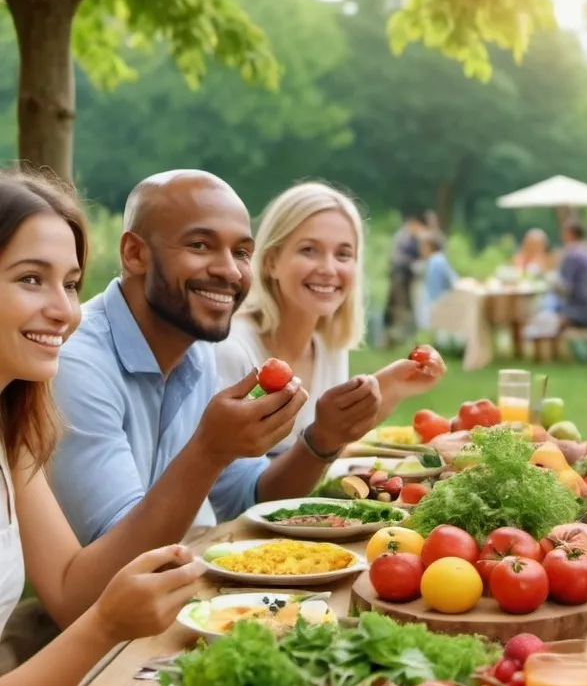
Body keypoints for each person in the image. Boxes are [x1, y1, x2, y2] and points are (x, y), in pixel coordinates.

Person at [46, 170, 382, 623]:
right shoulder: (76, 363)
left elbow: (249, 498)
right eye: (200, 245)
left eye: (241, 251)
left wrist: (321, 440)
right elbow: (114, 573)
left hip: (165, 605)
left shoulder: (199, 353)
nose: (229, 270)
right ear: (135, 253)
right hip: (84, 634)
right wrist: (209, 450)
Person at [0, 170, 205, 686]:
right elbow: (85, 614)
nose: (66, 311)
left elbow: (70, 589)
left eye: (69, 283)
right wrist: (105, 626)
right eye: (29, 279)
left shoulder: (11, 430)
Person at [216, 182, 445, 456]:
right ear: (271, 262)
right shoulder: (233, 350)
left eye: (343, 254)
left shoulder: (328, 346)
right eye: (309, 250)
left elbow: (324, 452)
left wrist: (391, 388)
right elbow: (235, 487)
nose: (328, 269)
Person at [383, 209, 425, 344]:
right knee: (398, 308)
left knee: (407, 308)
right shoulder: (403, 237)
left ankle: (402, 338)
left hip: (409, 278)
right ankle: (391, 339)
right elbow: (398, 258)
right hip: (399, 276)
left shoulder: (415, 238)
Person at [553, 219, 587, 329]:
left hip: (580, 311)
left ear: (570, 235)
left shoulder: (572, 255)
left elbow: (565, 288)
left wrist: (550, 284)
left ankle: (548, 345)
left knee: (549, 309)